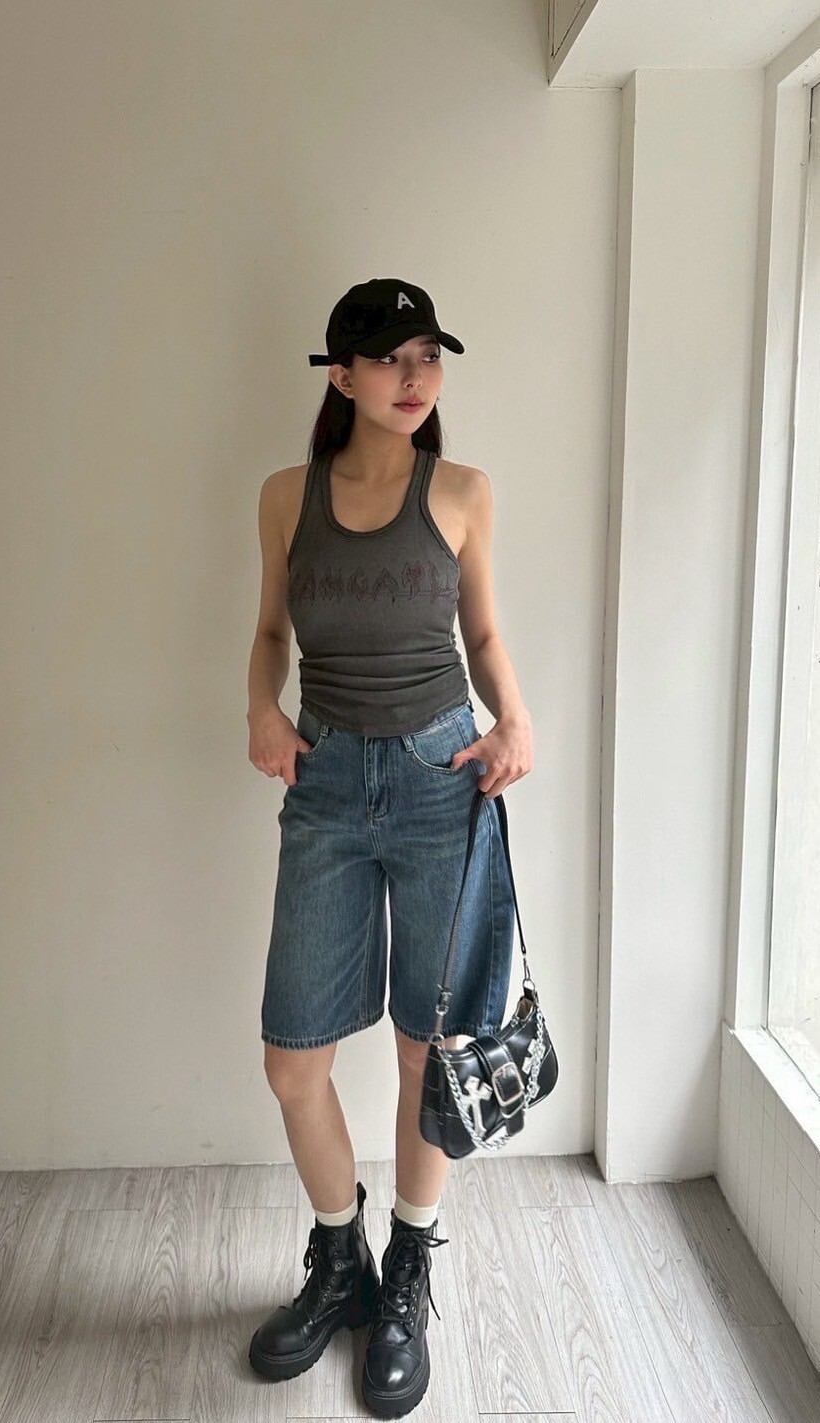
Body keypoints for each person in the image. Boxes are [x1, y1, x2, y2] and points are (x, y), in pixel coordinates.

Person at [245, 277, 534, 1418]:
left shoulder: (461, 491)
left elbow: (483, 630)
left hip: (438, 780)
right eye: (390, 357)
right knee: (293, 1060)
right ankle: (340, 1260)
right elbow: (271, 629)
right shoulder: (286, 495)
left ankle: (407, 1266)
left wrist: (515, 717)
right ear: (342, 374)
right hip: (322, 780)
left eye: (429, 355)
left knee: (427, 1049)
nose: (415, 378)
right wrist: (261, 708)